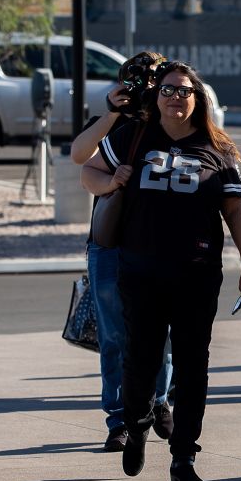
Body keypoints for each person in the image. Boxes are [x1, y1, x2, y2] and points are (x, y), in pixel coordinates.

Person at [82, 59, 241, 481]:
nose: (175, 96)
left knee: (194, 367)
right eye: (167, 89)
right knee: (140, 359)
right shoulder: (134, 135)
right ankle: (138, 426)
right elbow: (88, 170)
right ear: (156, 96)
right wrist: (111, 183)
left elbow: (236, 213)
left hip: (197, 274)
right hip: (139, 270)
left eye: (184, 90)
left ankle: (184, 456)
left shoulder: (219, 149)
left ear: (198, 99)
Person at [71, 51, 176, 453]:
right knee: (115, 336)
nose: (147, 92)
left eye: (156, 84)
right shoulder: (113, 122)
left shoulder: (176, 121)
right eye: (137, 83)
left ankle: (160, 399)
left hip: (161, 241)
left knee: (162, 332)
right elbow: (81, 158)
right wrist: (113, 115)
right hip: (112, 241)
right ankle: (119, 419)